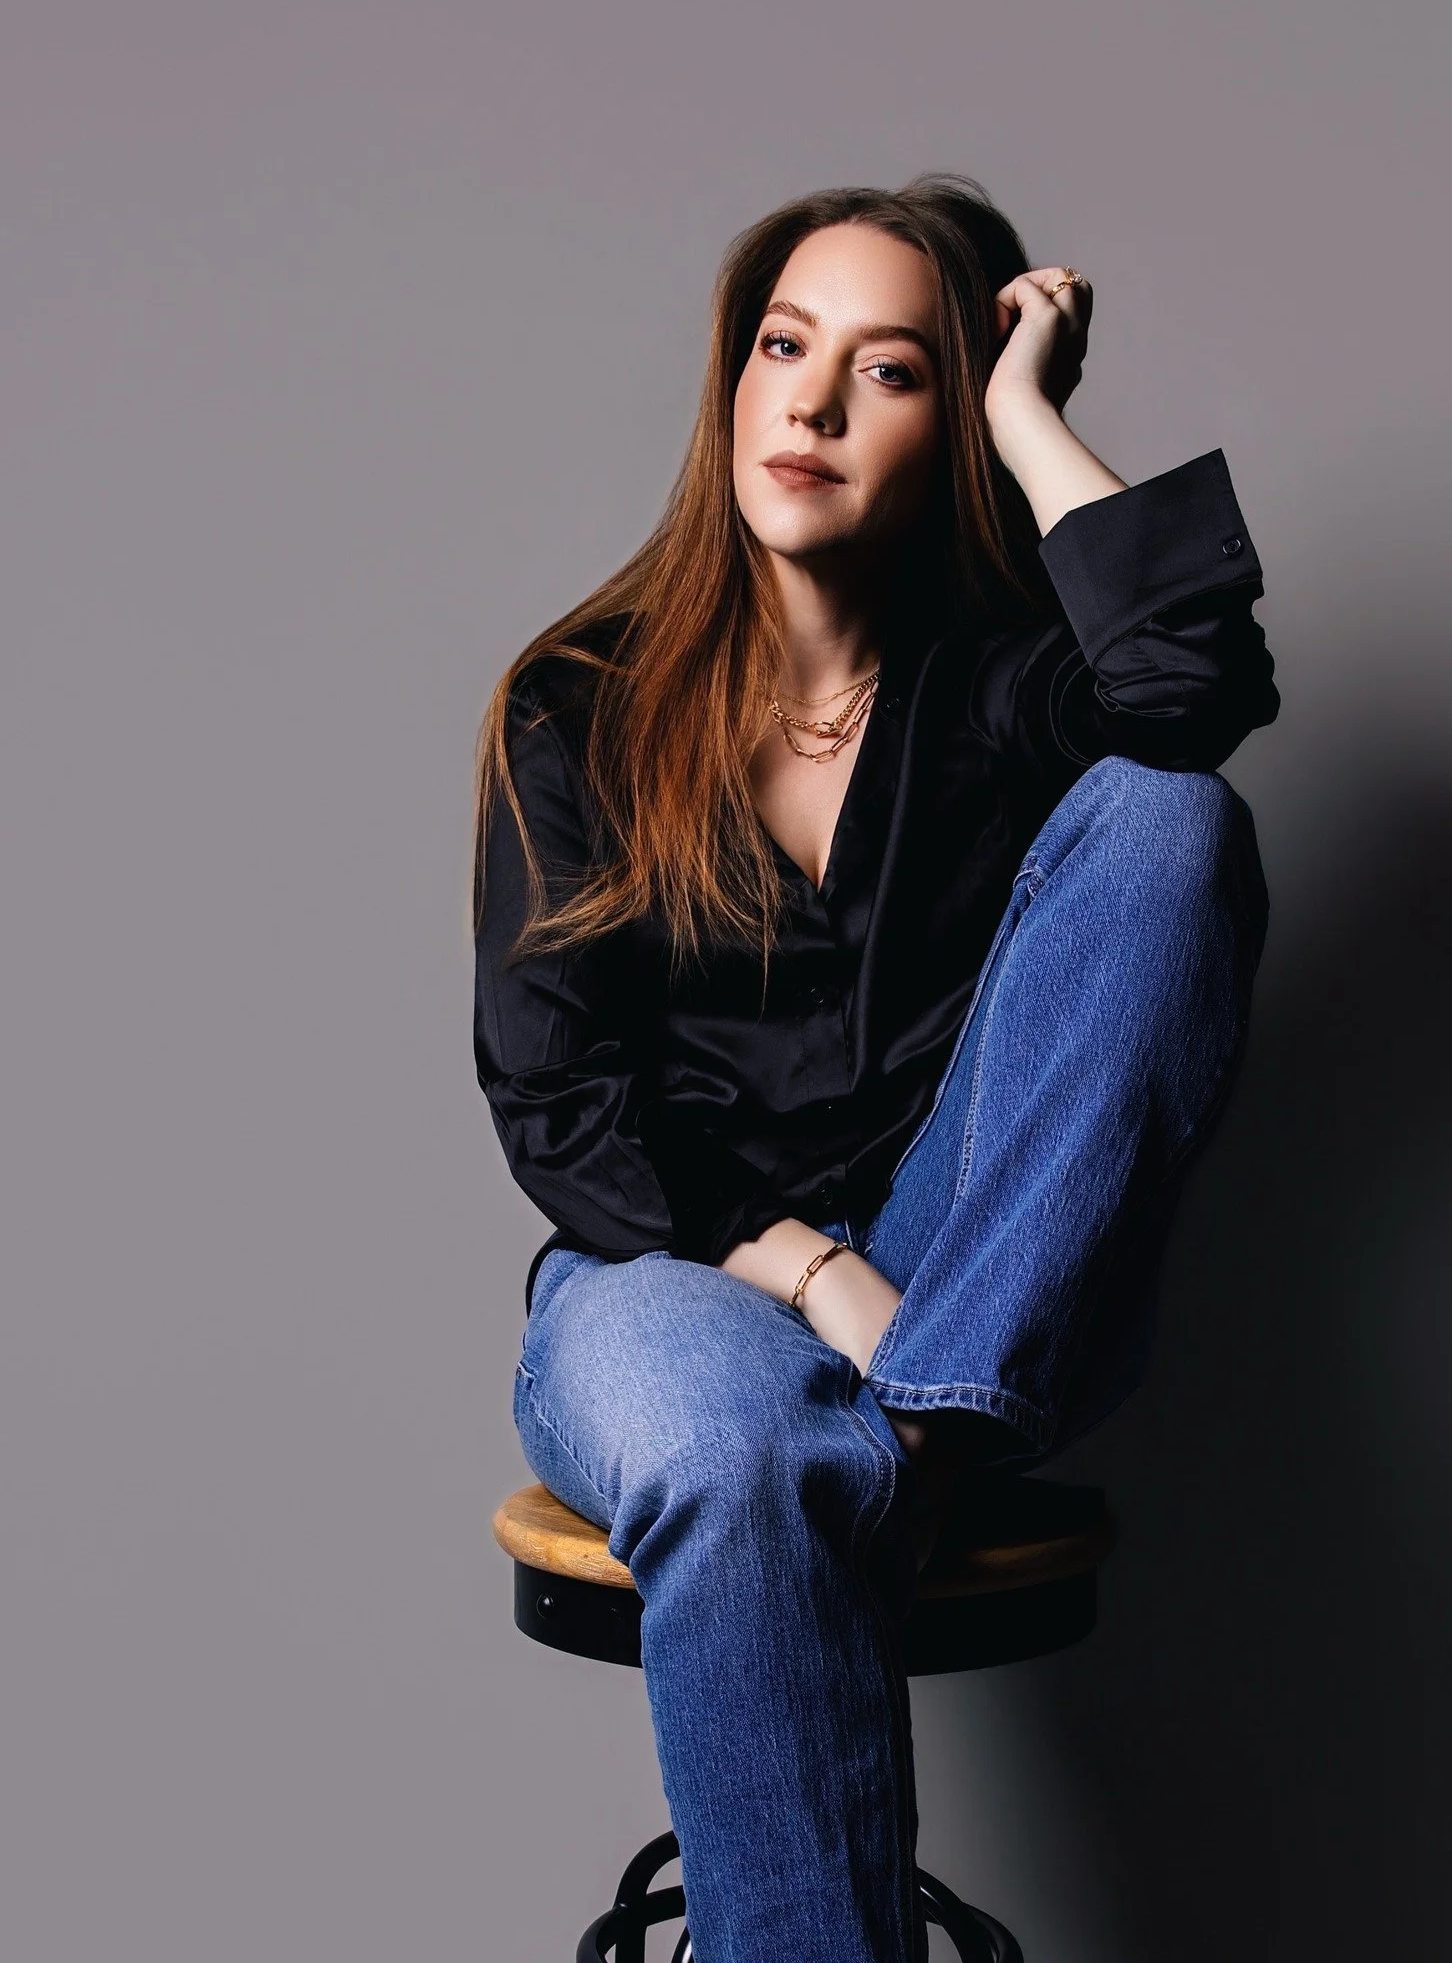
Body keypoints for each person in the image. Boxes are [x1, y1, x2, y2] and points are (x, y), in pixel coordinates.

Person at [471, 173, 1278, 1963]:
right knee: (732, 1441)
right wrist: (820, 1279)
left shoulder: (997, 695)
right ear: (732, 383)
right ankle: (894, 1435)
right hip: (665, 1272)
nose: (813, 404)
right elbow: (560, 1106)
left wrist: (1030, 411)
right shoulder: (580, 707)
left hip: (961, 1290)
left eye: (893, 369)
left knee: (1169, 824)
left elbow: (1193, 682)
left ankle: (924, 1425)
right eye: (783, 347)